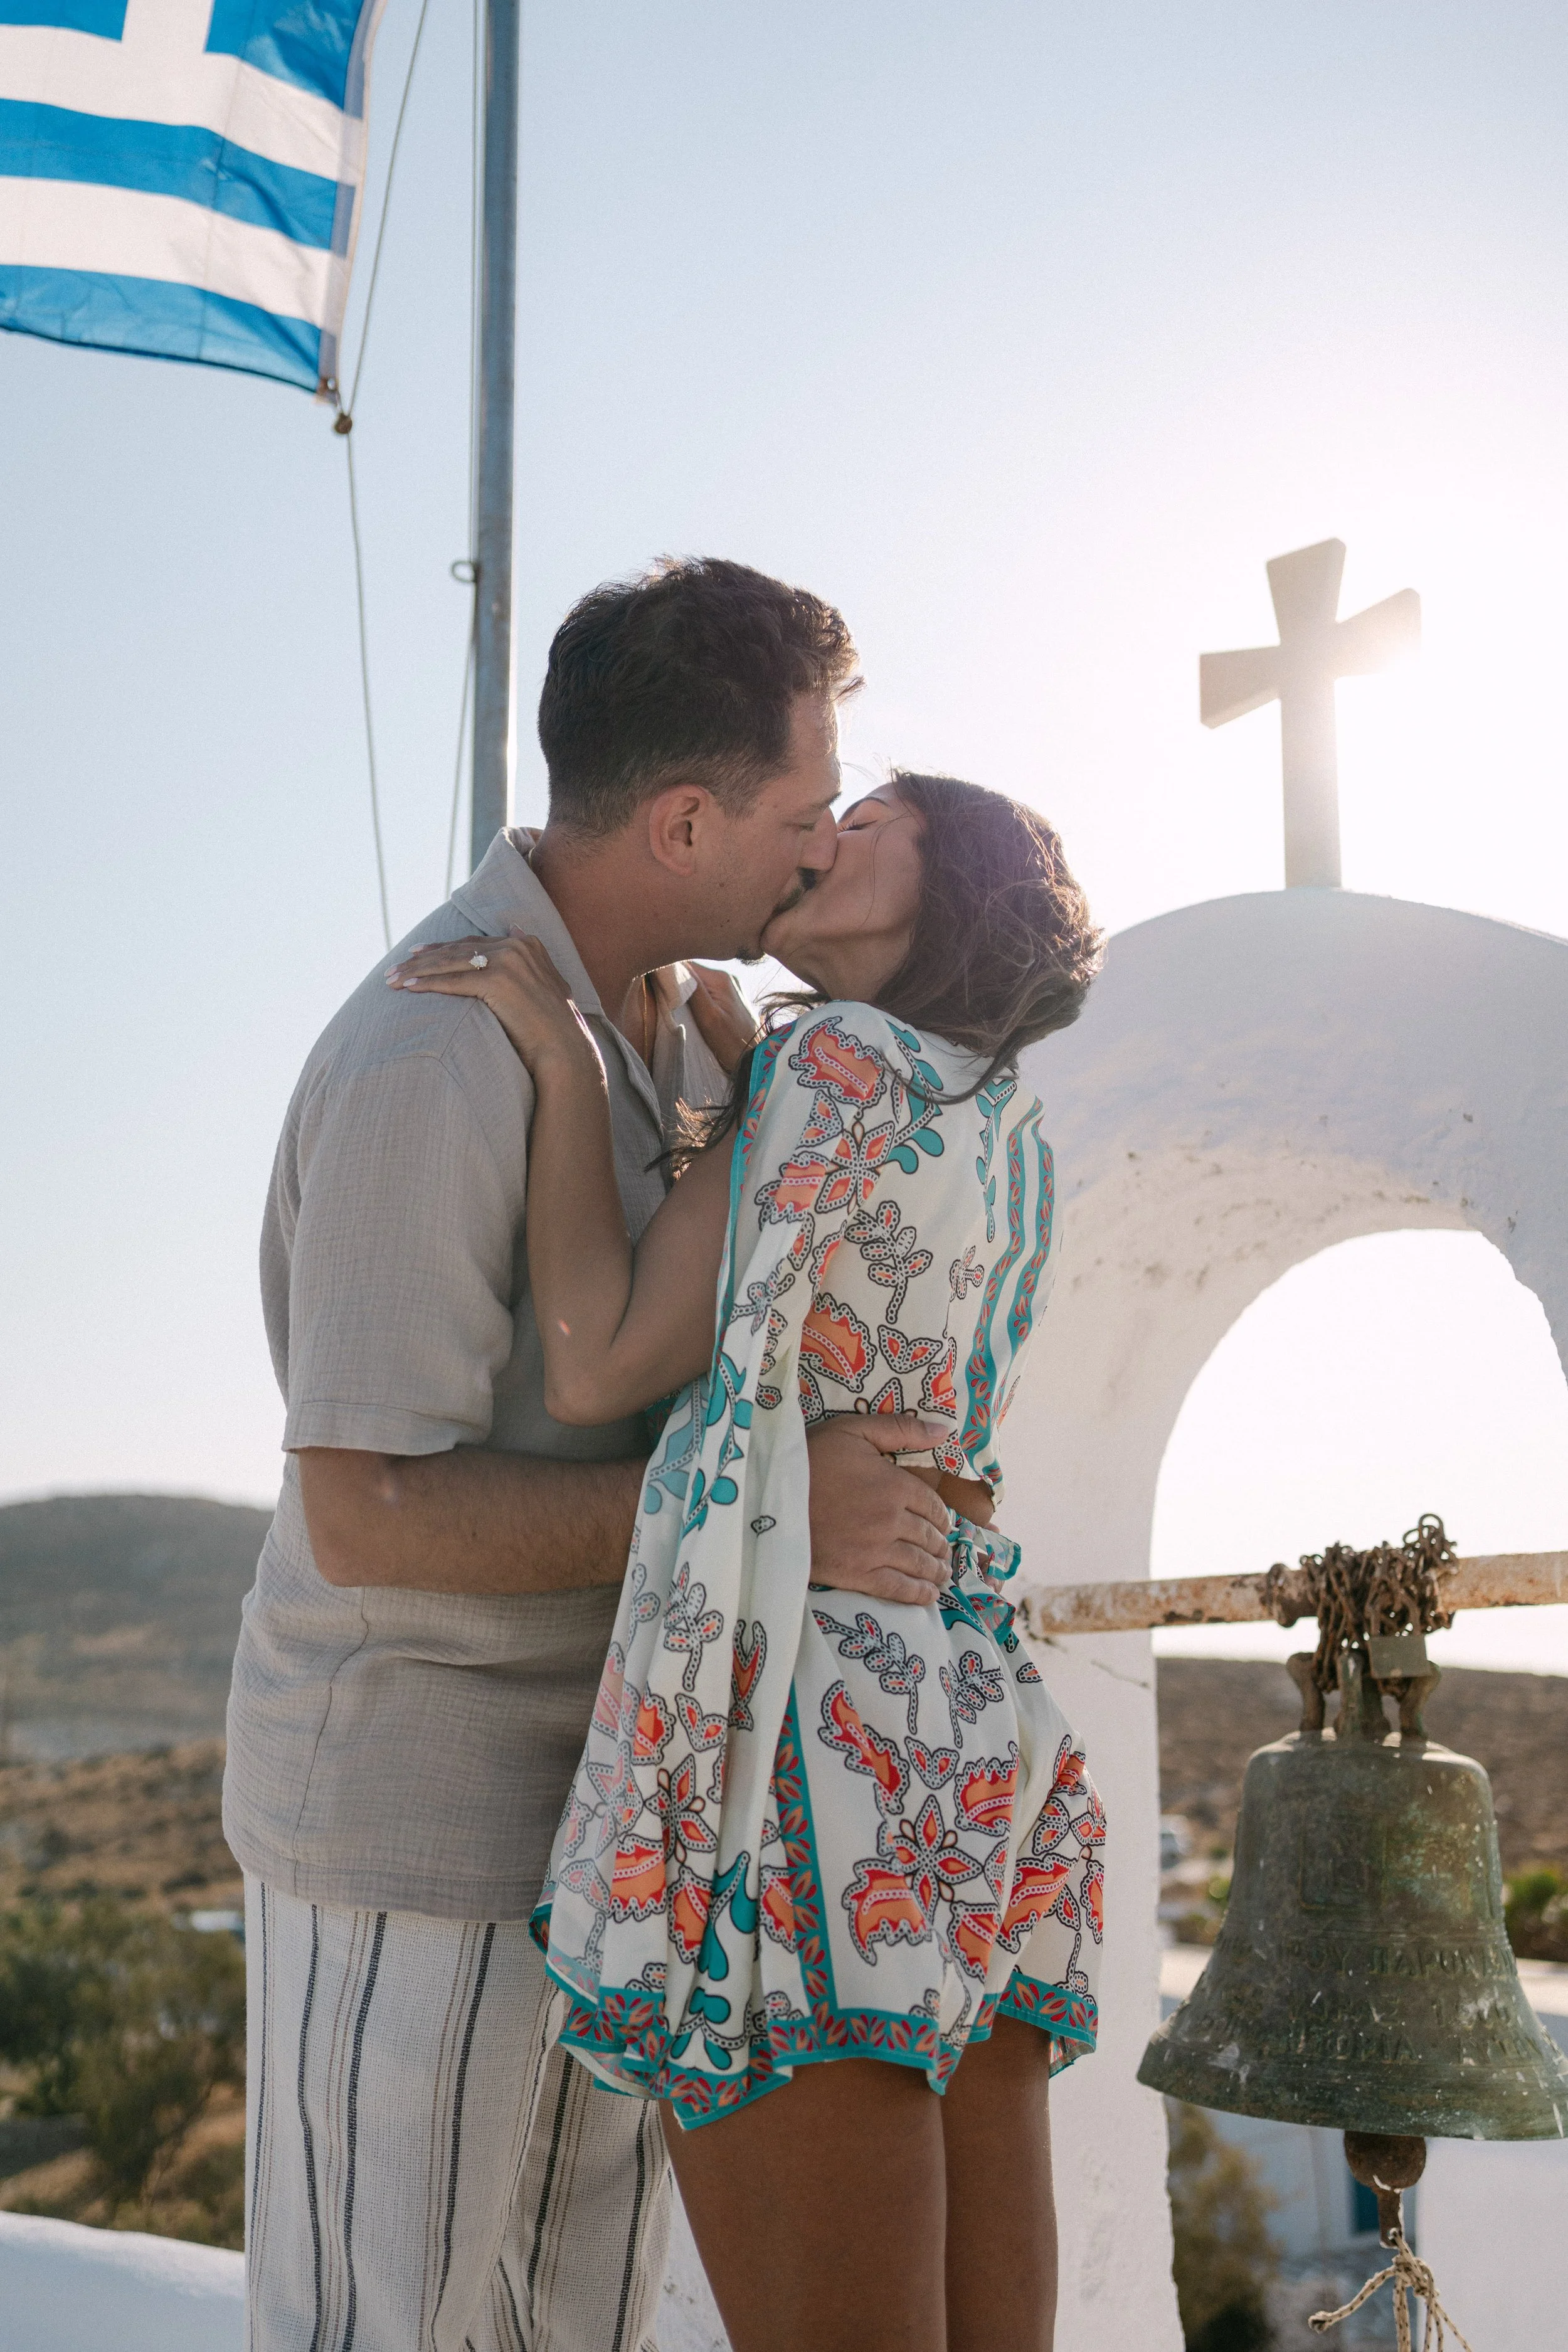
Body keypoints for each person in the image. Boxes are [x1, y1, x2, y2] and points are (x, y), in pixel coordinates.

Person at [223, 560, 963, 2352]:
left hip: (618, 1826)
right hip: (422, 1825)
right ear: (688, 817)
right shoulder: (436, 1053)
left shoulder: (672, 1036)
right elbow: (363, 1511)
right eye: (801, 815)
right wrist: (777, 1519)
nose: (814, 851)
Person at [388, 768, 1108, 2352]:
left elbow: (597, 1362)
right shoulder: (1004, 1119)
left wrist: (566, 1066)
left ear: (949, 885)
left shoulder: (830, 1066)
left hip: (816, 1763)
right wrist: (744, 1075)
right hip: (974, 1747)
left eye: (869, 819)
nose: (823, 833)